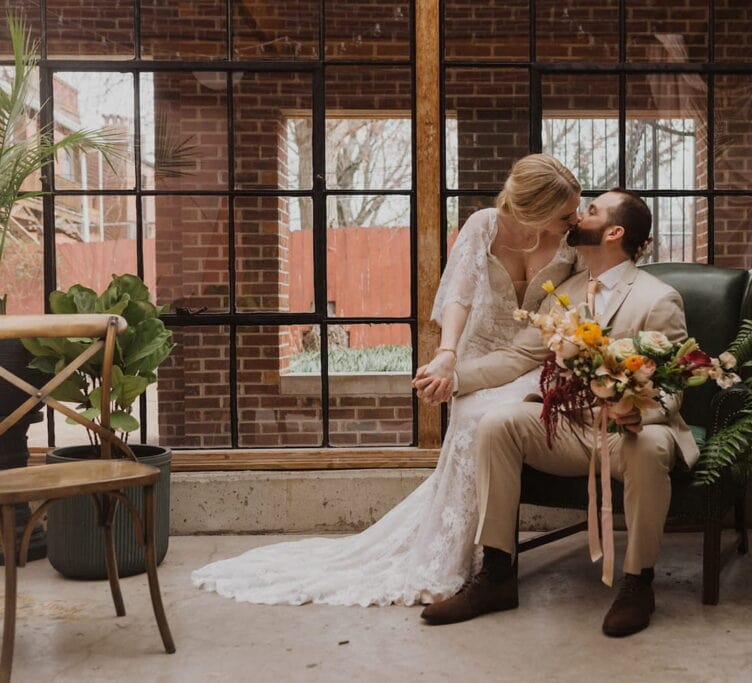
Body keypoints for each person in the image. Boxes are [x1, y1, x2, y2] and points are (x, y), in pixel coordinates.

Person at [191, 154, 581, 606]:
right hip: (476, 352)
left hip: (531, 361)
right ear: (533, 214)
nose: (574, 218)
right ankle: (464, 559)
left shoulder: (573, 243)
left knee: (498, 419)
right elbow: (458, 293)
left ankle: (493, 565)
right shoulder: (485, 226)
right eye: (565, 212)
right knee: (473, 415)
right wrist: (447, 356)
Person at [418, 189, 699, 637]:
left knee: (649, 446)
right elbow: (517, 356)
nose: (578, 215)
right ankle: (496, 575)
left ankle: (637, 583)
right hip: (571, 431)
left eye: (591, 210)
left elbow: (672, 387)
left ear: (614, 231)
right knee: (498, 424)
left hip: (628, 433)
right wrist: (452, 377)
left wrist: (637, 413)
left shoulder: (657, 299)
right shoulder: (564, 293)